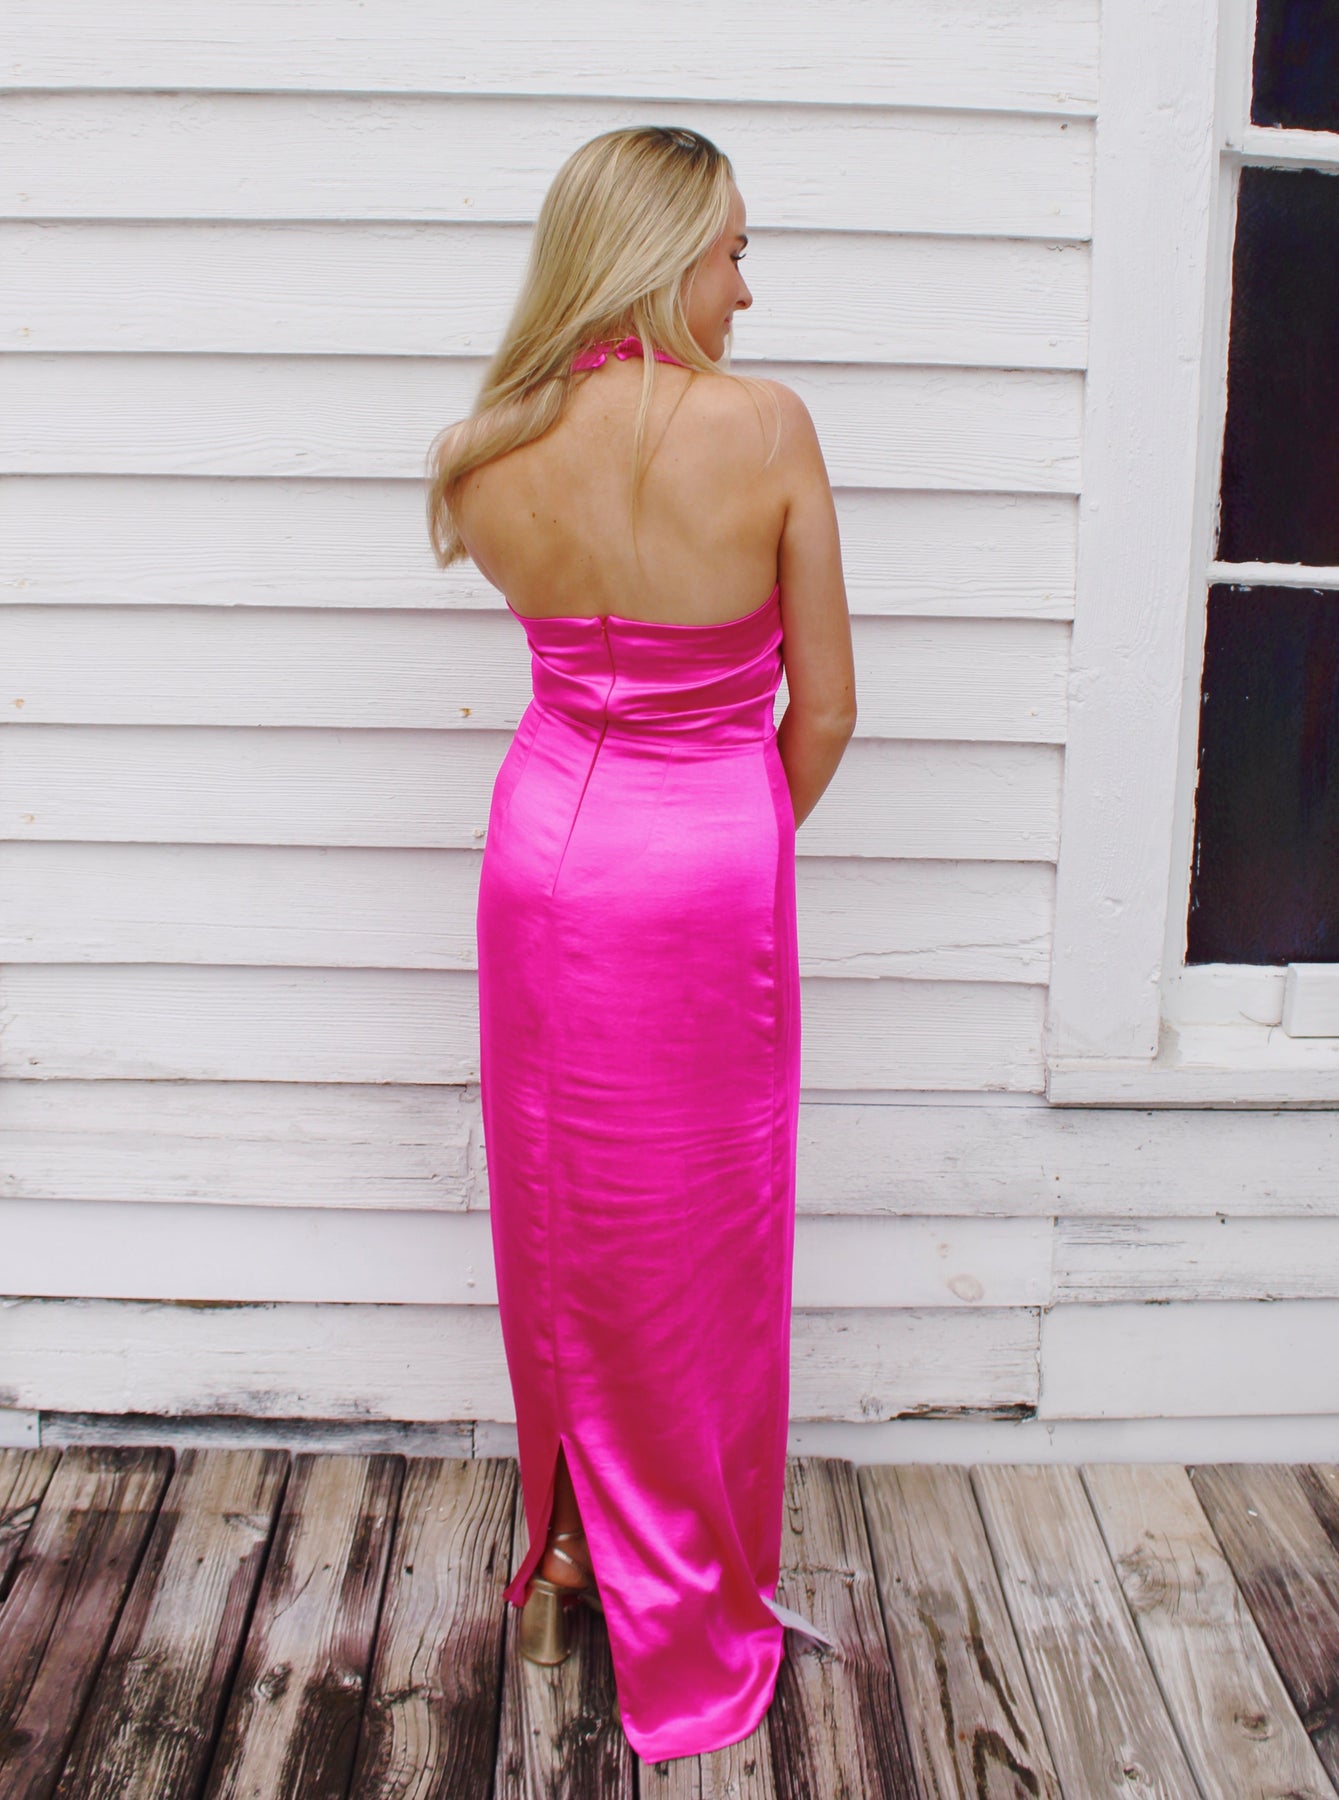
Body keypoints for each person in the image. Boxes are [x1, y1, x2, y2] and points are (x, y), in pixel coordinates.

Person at [426, 124, 856, 1761]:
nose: (748, 287)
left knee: (560, 1228)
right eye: (735, 249)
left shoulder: (487, 450)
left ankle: (562, 1565)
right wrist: (726, 851)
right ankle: (682, 1586)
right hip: (706, 867)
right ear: (661, 254)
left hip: (543, 855)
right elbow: (827, 712)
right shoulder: (766, 429)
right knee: (707, 1251)